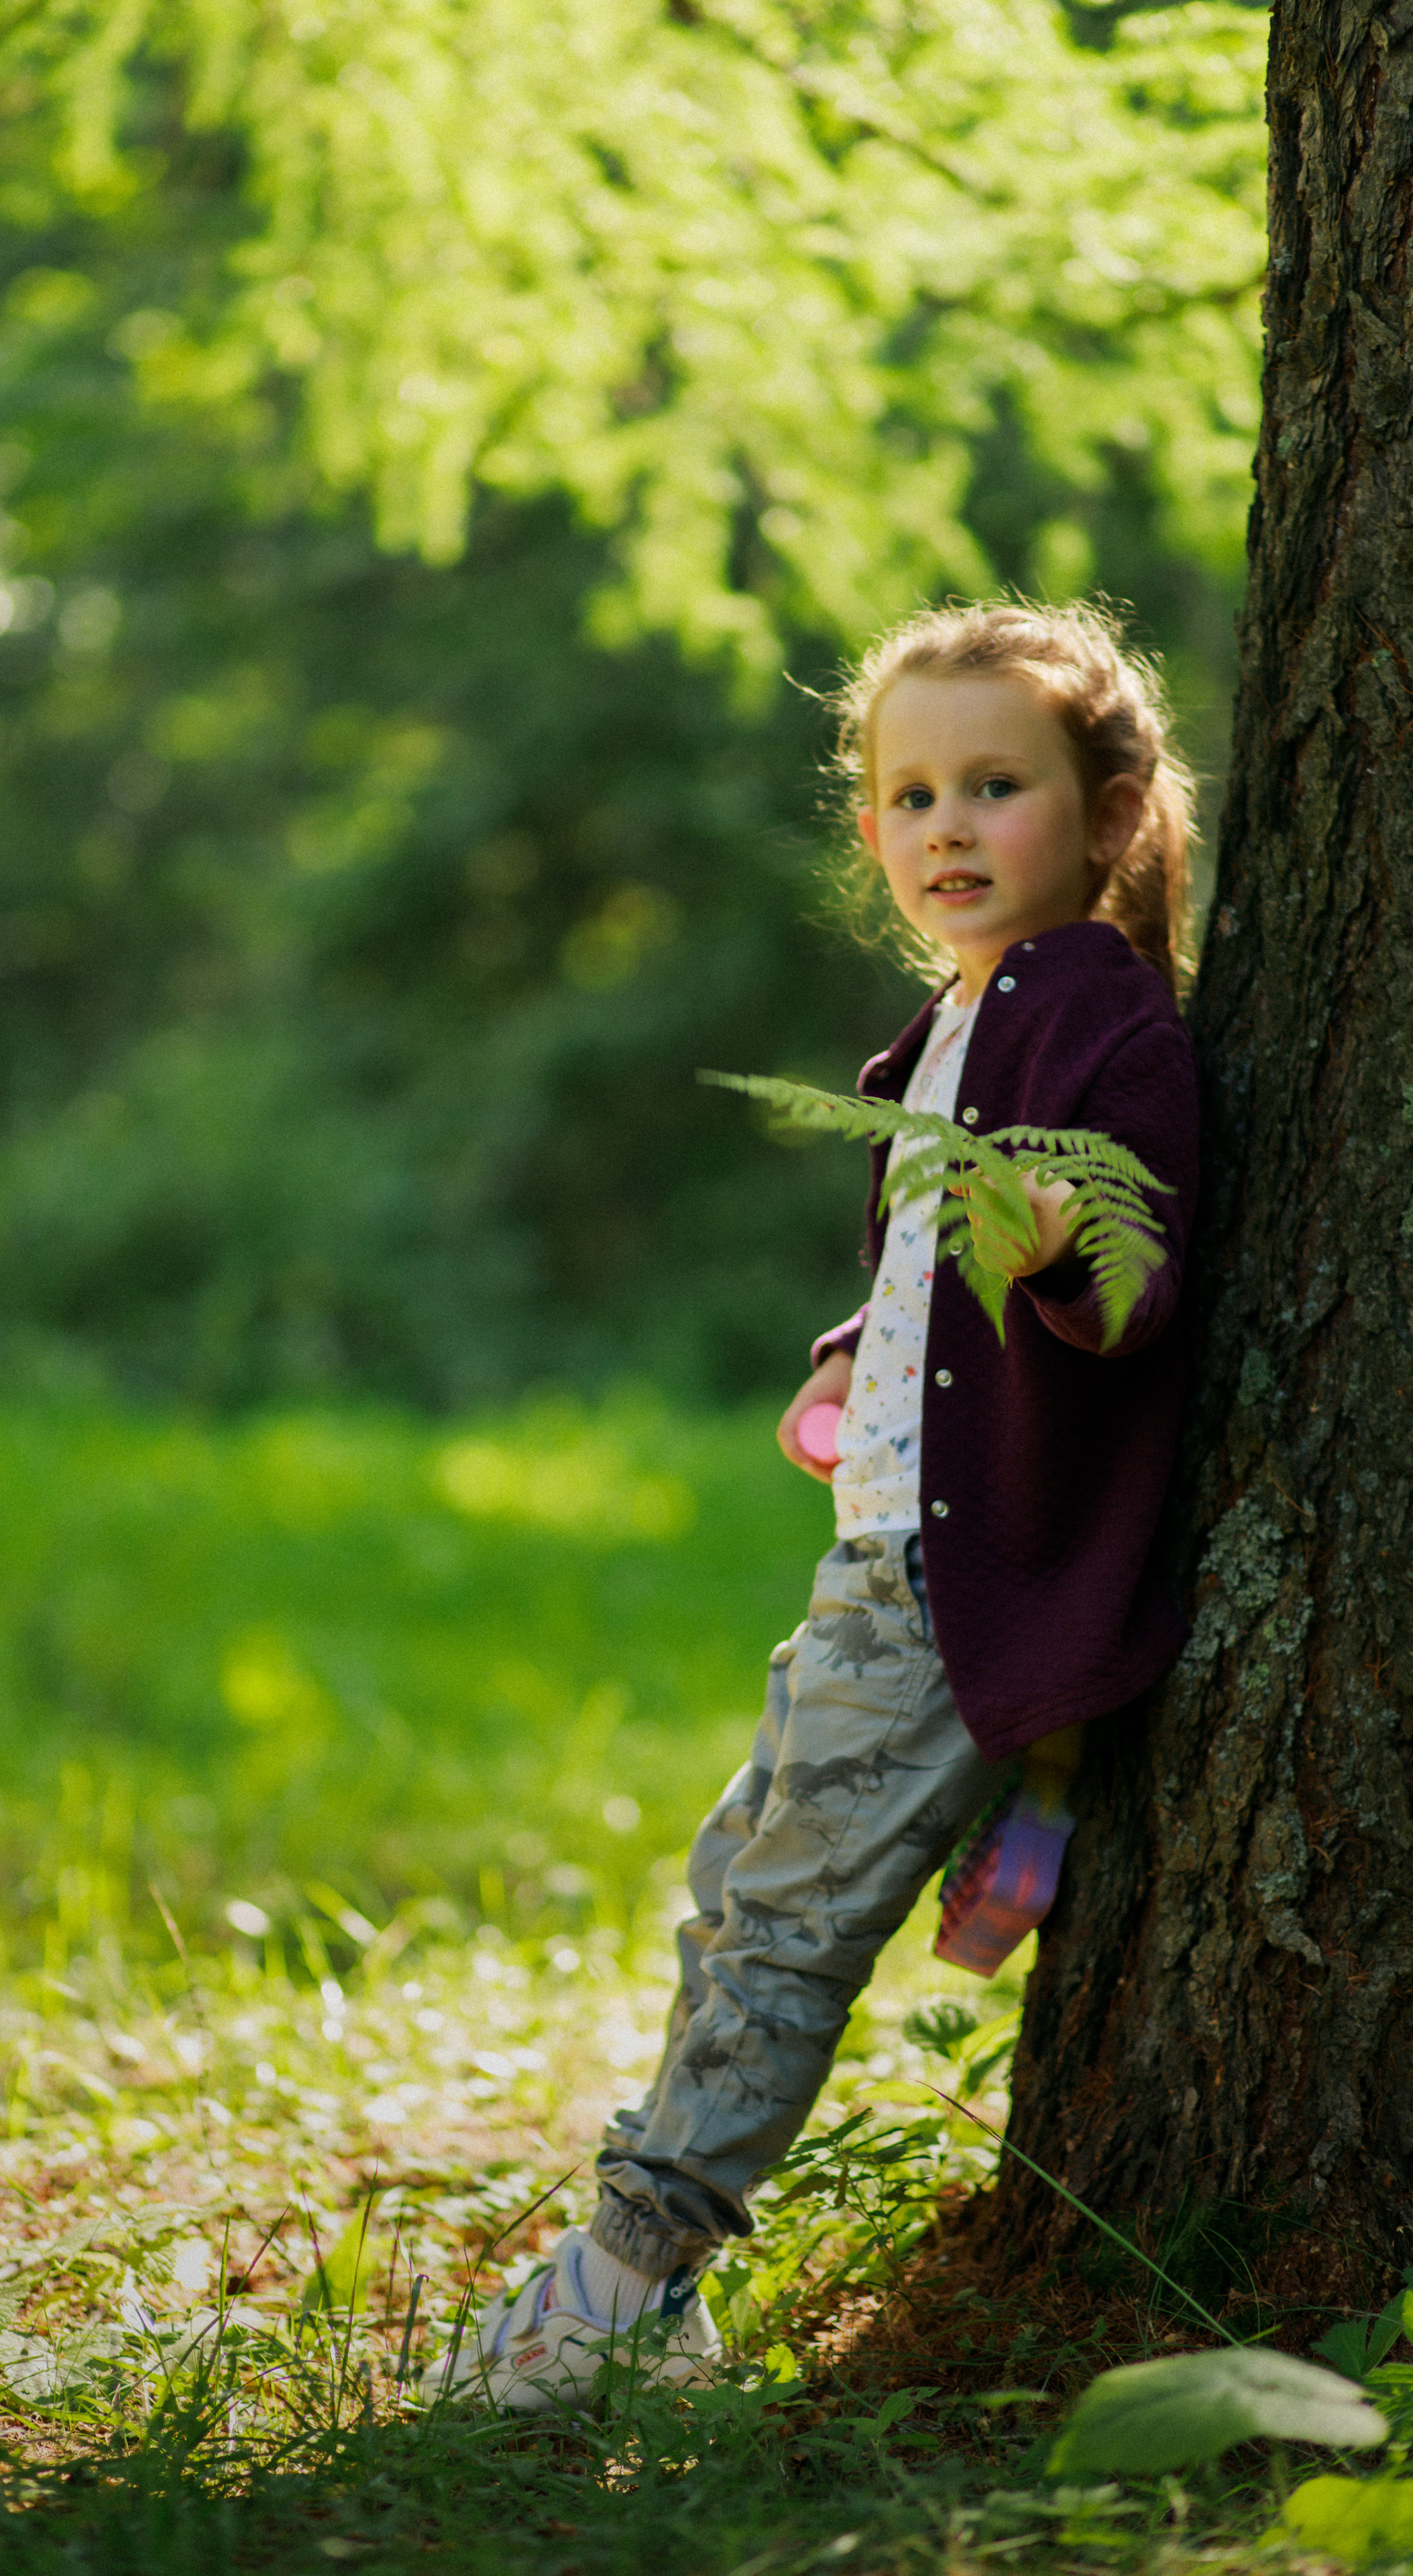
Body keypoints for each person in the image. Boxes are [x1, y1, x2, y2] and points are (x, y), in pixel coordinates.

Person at [423, 600, 1202, 2412]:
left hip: (965, 1586)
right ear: (869, 830)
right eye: (912, 791)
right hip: (884, 1555)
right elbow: (940, 1241)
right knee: (735, 1883)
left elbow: (1128, 1278)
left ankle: (616, 2284)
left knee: (784, 1917)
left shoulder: (1098, 1019)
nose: (947, 825)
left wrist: (1061, 1251)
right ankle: (668, 2317)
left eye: (995, 787)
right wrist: (862, 1351)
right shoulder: (961, 1018)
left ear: (1101, 809)